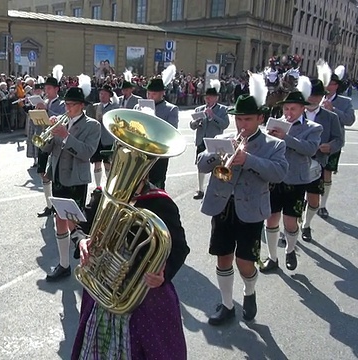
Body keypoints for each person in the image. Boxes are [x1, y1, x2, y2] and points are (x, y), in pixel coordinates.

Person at [73, 178, 190, 359]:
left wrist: (164, 274)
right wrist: (82, 241)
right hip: (102, 287)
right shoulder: (103, 194)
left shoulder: (160, 202)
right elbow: (81, 226)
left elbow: (180, 248)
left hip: (143, 291)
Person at [198, 90, 288, 325]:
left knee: (245, 263)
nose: (242, 124)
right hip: (222, 206)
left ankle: (249, 291)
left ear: (260, 118)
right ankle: (227, 304)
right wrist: (218, 154)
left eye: (247, 119)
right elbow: (201, 164)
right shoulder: (225, 137)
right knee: (223, 257)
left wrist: (249, 160)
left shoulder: (274, 144)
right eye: (239, 119)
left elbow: (279, 173)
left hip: (251, 209)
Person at [39, 82, 101, 282]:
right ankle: (64, 264)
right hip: (58, 176)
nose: (68, 108)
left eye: (72, 105)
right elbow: (48, 149)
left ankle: (87, 259)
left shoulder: (92, 125)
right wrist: (50, 133)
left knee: (75, 221)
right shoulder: (61, 122)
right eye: (66, 104)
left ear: (82, 105)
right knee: (59, 220)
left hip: (75, 178)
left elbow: (86, 153)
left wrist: (65, 136)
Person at [261, 80, 323, 273]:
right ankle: (272, 257)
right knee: (271, 218)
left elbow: (311, 149)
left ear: (302, 109)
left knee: (290, 221)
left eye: (293, 109)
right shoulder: (277, 124)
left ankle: (289, 249)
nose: (288, 113)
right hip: (274, 179)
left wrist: (285, 138)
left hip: (296, 180)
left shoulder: (313, 127)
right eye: (286, 108)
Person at [301, 79, 343, 242]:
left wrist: (330, 147)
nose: (313, 99)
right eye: (311, 95)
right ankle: (293, 228)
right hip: (295, 164)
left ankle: (306, 224)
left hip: (317, 164)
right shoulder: (296, 112)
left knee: (313, 201)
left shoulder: (330, 117)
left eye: (317, 95)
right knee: (292, 202)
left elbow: (339, 140)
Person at [319, 69, 355, 218]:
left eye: (331, 84)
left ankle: (323, 205)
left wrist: (333, 109)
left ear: (336, 86)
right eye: (325, 83)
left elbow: (350, 120)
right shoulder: (316, 98)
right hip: (316, 141)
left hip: (333, 142)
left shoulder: (345, 101)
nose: (327, 86)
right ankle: (311, 199)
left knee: (327, 173)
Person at [35, 67, 66, 218]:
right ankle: (49, 205)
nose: (46, 91)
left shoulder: (61, 103)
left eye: (48, 88)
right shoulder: (45, 101)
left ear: (56, 89)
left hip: (55, 143)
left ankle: (56, 205)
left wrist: (46, 110)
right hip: (44, 140)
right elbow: (40, 122)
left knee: (54, 174)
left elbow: (61, 119)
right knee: (42, 172)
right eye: (45, 88)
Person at [190, 79, 229, 199]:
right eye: (207, 97)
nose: (208, 99)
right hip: (201, 141)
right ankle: (200, 189)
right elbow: (192, 126)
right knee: (200, 165)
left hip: (214, 142)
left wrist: (213, 116)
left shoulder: (222, 110)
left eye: (211, 97)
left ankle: (215, 189)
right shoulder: (199, 109)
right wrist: (196, 122)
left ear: (216, 98)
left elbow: (224, 124)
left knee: (215, 165)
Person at [145, 68, 179, 189]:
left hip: (159, 153)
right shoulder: (138, 106)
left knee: (157, 185)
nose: (150, 96)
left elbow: (172, 131)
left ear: (162, 93)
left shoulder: (171, 109)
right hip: (142, 151)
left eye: (153, 94)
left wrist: (153, 118)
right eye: (148, 93)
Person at [86, 84, 118, 188]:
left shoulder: (114, 107)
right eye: (100, 94)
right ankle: (98, 186)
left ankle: (109, 185)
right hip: (96, 138)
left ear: (109, 96)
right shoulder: (95, 106)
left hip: (108, 138)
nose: (102, 96)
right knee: (96, 162)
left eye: (104, 94)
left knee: (108, 163)